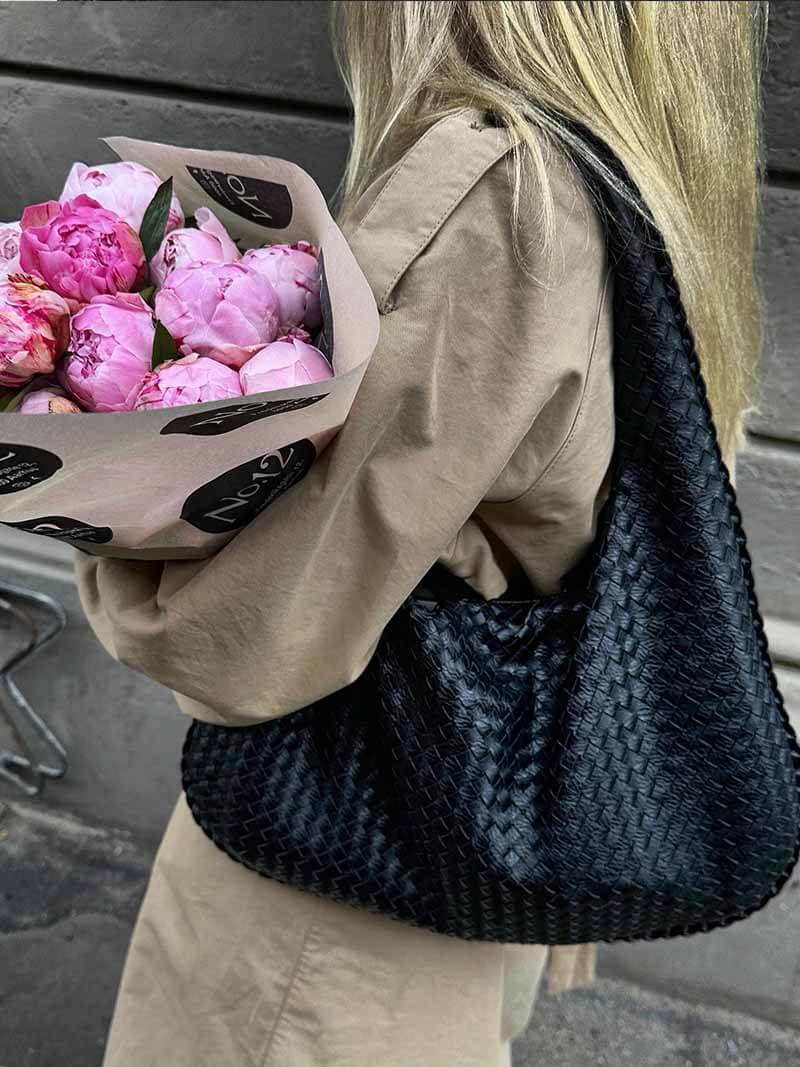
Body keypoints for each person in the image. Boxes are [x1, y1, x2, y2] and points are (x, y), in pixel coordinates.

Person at [73, 2, 768, 1064]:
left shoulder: (493, 192)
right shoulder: (639, 170)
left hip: (336, 872)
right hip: (458, 819)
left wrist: (92, 487)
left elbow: (247, 642)